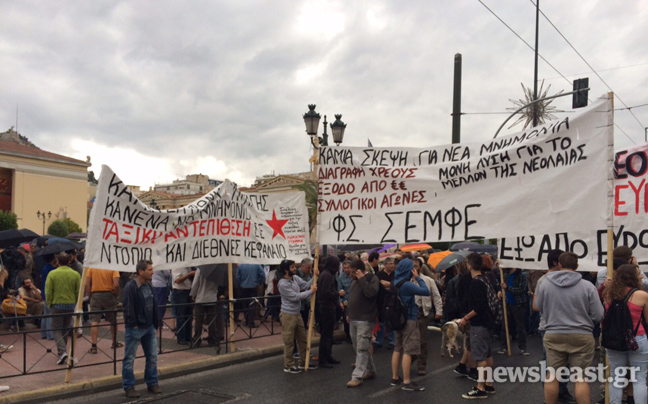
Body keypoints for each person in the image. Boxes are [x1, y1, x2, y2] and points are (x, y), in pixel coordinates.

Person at [535, 252, 604, 404]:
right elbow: (598, 314)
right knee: (580, 378)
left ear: (559, 264)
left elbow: (538, 306)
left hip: (553, 333)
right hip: (581, 334)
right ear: (577, 266)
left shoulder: (545, 283)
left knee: (552, 375)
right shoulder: (588, 286)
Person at [532, 249, 577, 404]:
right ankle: (550, 396)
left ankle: (562, 391)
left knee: (565, 362)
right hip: (549, 326)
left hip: (563, 326)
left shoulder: (569, 280)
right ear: (556, 263)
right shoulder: (543, 281)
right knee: (550, 364)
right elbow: (536, 306)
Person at [602, 264, 648, 404]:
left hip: (613, 339)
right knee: (639, 378)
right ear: (633, 277)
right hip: (637, 338)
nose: (641, 276)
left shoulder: (608, 294)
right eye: (639, 273)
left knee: (616, 376)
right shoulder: (642, 295)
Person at [458, 253, 496, 399]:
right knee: (487, 354)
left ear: (469, 266)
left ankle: (480, 387)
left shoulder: (475, 282)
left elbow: (479, 306)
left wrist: (465, 318)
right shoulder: (485, 279)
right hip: (488, 322)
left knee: (480, 356)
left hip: (479, 323)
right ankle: (489, 383)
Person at [122, 260, 161, 398]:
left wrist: (156, 323)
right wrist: (133, 324)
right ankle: (129, 386)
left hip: (149, 327)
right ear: (141, 272)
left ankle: (152, 382)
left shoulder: (149, 285)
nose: (152, 272)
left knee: (152, 357)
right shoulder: (131, 287)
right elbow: (128, 307)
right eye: (149, 270)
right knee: (129, 358)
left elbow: (154, 304)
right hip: (136, 328)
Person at [390, 258, 430, 392]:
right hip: (409, 319)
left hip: (397, 320)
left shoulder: (395, 282)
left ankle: (395, 377)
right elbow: (425, 291)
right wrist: (418, 277)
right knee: (408, 350)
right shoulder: (407, 285)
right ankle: (407, 381)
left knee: (397, 348)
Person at [277, 259, 317, 373]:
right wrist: (311, 291)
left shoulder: (295, 278)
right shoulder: (282, 284)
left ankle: (303, 362)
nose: (295, 269)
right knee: (289, 341)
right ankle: (288, 365)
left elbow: (305, 284)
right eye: (292, 267)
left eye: (295, 267)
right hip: (288, 315)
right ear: (286, 270)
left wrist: (314, 276)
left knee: (302, 339)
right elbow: (295, 297)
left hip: (297, 313)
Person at [346, 258, 380, 387]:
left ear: (360, 271)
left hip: (365, 319)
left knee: (361, 348)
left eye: (353, 272)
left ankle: (357, 376)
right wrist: (349, 313)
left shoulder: (371, 279)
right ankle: (370, 370)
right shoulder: (354, 281)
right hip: (354, 318)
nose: (351, 275)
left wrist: (362, 279)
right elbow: (352, 298)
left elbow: (371, 293)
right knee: (358, 347)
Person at [44, 252, 81, 365]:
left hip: (57, 304)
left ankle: (62, 352)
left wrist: (50, 303)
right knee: (65, 328)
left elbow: (48, 291)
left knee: (56, 329)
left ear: (57, 262)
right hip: (70, 304)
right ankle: (63, 352)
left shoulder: (52, 274)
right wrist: (75, 302)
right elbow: (77, 291)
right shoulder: (75, 274)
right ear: (69, 261)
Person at [413, 257, 443, 376]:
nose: (413, 268)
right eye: (412, 266)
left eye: (415, 266)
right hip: (410, 313)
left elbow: (436, 296)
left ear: (420, 267)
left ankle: (421, 365)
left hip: (422, 313)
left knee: (422, 341)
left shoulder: (428, 280)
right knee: (410, 340)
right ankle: (410, 358)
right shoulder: (406, 281)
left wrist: (439, 311)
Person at [86, 267, 121, 353]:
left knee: (94, 320)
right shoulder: (112, 267)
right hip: (109, 294)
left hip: (95, 295)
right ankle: (114, 342)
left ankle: (94, 346)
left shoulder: (91, 268)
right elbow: (116, 284)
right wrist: (116, 294)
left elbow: (87, 284)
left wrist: (90, 296)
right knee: (113, 320)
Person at [497, 268, 529, 355]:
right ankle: (503, 346)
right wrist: (500, 291)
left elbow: (521, 290)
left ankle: (523, 347)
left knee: (520, 326)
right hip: (507, 304)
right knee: (505, 326)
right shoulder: (506, 275)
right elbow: (502, 286)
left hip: (518, 304)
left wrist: (507, 288)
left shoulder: (521, 275)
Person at [190, 265, 222, 350]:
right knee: (212, 320)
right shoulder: (216, 271)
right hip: (212, 298)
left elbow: (195, 284)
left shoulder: (200, 270)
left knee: (198, 320)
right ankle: (212, 339)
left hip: (201, 298)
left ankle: (197, 339)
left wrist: (193, 294)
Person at [317, 256, 341, 368]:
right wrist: (337, 294)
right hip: (327, 307)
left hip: (328, 306)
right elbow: (326, 293)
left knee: (329, 334)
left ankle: (328, 356)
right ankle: (323, 359)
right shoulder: (327, 275)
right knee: (326, 334)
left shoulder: (327, 274)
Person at [375, 257, 396, 350]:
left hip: (392, 299)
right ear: (385, 265)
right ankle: (379, 341)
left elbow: (395, 285)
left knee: (392, 320)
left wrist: (389, 285)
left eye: (393, 264)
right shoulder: (379, 274)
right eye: (390, 264)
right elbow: (380, 285)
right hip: (381, 300)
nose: (392, 265)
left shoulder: (395, 274)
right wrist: (390, 285)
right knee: (381, 321)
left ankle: (392, 341)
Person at [236, 264, 265, 328]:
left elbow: (237, 277)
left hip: (243, 287)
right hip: (253, 287)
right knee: (252, 304)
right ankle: (251, 322)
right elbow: (263, 275)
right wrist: (259, 283)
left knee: (245, 305)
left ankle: (247, 321)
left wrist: (241, 284)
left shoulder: (240, 265)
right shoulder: (257, 265)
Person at [171, 267, 195, 345]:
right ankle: (181, 338)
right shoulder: (177, 266)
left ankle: (188, 336)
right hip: (180, 291)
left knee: (189, 316)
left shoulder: (189, 266)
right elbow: (177, 280)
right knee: (181, 316)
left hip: (189, 290)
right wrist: (190, 274)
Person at [40, 254, 57, 340]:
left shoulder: (45, 268)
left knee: (45, 314)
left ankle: (43, 333)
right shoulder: (52, 269)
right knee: (50, 313)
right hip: (49, 292)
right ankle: (50, 334)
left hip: (44, 291)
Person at [338, 260, 353, 344]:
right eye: (345, 268)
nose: (346, 270)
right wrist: (340, 301)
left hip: (354, 299)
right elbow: (339, 289)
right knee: (346, 320)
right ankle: (347, 335)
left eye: (348, 268)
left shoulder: (353, 275)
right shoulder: (341, 277)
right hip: (346, 300)